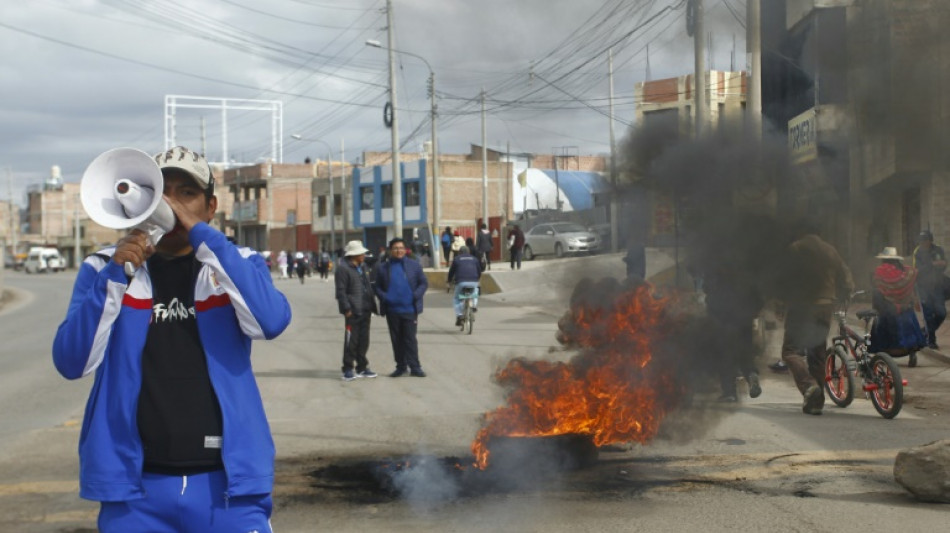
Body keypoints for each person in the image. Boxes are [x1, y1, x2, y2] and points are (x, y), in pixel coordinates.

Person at [52, 146, 292, 532]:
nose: (172, 203)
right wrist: (115, 277)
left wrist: (205, 241)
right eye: (161, 191)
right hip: (134, 494)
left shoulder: (236, 261)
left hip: (229, 489)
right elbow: (71, 362)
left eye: (187, 193)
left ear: (210, 206)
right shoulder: (102, 267)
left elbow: (271, 321)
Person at [779, 222, 854, 416]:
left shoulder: (795, 248)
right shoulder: (831, 250)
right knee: (818, 354)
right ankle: (816, 403)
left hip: (801, 306)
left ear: (802, 232)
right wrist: (844, 296)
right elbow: (846, 278)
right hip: (824, 306)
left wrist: (780, 302)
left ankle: (809, 386)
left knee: (790, 351)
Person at [374, 238, 429, 377]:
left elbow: (423, 283)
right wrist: (384, 297)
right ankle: (401, 366)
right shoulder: (383, 268)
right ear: (390, 251)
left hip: (410, 309)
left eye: (401, 248)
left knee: (410, 338)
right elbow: (377, 287)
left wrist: (415, 295)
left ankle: (415, 367)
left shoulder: (414, 265)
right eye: (396, 248)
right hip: (392, 310)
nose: (399, 251)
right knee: (396, 339)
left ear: (405, 250)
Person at [871, 247, 926, 365]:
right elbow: (913, 278)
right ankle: (912, 354)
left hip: (887, 308)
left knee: (881, 330)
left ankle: (882, 354)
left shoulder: (880, 271)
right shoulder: (905, 271)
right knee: (909, 329)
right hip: (905, 307)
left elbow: (878, 288)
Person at [335, 240, 379, 381]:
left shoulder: (363, 266)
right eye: (361, 253)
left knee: (364, 340)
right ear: (353, 255)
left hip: (366, 309)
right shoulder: (343, 269)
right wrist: (346, 308)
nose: (364, 255)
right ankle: (348, 368)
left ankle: (362, 367)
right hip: (353, 310)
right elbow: (341, 291)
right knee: (351, 341)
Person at [912, 230, 947, 349]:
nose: (923, 243)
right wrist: (932, 264)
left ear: (930, 240)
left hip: (938, 286)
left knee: (941, 313)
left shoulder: (938, 250)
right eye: (921, 241)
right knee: (928, 315)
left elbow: (943, 264)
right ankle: (931, 340)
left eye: (925, 240)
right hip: (923, 288)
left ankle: (925, 331)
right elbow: (917, 270)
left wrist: (939, 264)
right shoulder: (917, 252)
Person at [448, 245, 483, 326]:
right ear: (469, 252)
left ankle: (459, 315)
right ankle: (473, 305)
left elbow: (451, 272)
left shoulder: (457, 259)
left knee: (457, 298)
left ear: (460, 252)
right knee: (475, 293)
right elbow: (479, 271)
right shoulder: (474, 259)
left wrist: (449, 281)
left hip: (461, 282)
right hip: (473, 281)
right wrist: (476, 279)